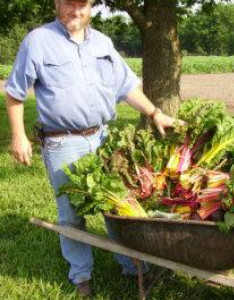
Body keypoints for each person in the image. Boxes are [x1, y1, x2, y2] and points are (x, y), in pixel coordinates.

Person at [5, 0, 178, 297]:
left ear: (91, 7)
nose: (76, 11)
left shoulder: (102, 43)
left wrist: (155, 113)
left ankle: (130, 265)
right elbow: (15, 93)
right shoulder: (38, 41)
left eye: (82, 5)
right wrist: (19, 136)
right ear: (57, 3)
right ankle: (81, 275)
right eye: (69, 4)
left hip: (102, 138)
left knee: (120, 205)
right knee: (72, 213)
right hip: (63, 141)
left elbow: (127, 87)